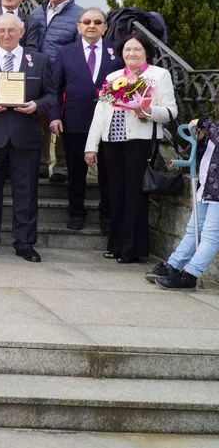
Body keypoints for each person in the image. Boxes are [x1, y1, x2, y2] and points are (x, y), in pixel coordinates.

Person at [85, 33, 176, 264]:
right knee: (115, 193)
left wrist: (146, 112)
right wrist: (91, 146)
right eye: (127, 50)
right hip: (112, 141)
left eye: (137, 49)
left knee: (134, 194)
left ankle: (132, 249)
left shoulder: (158, 75)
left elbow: (171, 111)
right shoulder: (114, 76)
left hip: (140, 140)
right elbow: (100, 113)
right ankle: (115, 245)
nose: (131, 54)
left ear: (146, 52)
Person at [0, 13, 57, 262]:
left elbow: (51, 94)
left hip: (26, 136)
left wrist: (36, 105)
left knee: (27, 192)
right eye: (1, 31)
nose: (6, 35)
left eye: (11, 30)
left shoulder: (39, 61)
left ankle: (24, 242)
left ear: (21, 32)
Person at [50, 8, 123, 232]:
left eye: (97, 22)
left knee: (109, 172)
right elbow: (54, 88)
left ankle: (107, 215)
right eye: (87, 21)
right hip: (75, 120)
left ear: (105, 27)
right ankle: (76, 212)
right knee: (76, 170)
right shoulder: (65, 53)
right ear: (78, 26)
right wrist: (54, 116)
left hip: (109, 122)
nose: (92, 25)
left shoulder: (116, 52)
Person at [148, 117, 219, 291]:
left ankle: (190, 275)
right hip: (208, 186)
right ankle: (174, 265)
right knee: (193, 228)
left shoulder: (214, 130)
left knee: (211, 235)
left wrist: (206, 125)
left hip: (215, 190)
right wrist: (200, 136)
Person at [25, 0, 84, 182]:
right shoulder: (37, 13)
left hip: (64, 73)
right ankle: (40, 164)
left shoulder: (79, 15)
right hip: (38, 73)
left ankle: (61, 167)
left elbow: (80, 47)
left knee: (61, 119)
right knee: (39, 117)